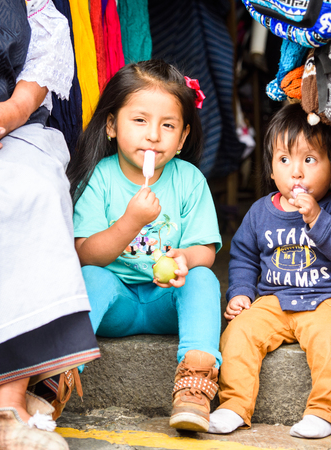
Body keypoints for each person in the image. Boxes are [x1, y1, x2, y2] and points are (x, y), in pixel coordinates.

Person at [66, 60, 223, 433]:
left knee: (204, 279)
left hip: (166, 301)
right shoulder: (100, 179)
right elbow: (86, 253)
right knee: (90, 276)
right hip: (116, 306)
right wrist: (130, 223)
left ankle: (195, 385)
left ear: (183, 137)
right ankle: (59, 374)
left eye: (167, 125)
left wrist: (183, 259)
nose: (153, 135)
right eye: (140, 121)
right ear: (111, 125)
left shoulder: (190, 180)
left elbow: (207, 249)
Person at [208, 103, 331, 439]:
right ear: (271, 169)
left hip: (330, 299)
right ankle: (233, 405)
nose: (296, 172)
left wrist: (317, 219)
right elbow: (243, 257)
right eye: (284, 160)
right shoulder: (258, 213)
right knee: (238, 332)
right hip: (275, 300)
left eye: (309, 160)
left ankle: (324, 411)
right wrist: (240, 293)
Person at [0, 1, 101, 449]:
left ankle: (6, 407)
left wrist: (12, 111)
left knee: (32, 188)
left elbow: (47, 41)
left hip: (8, 132)